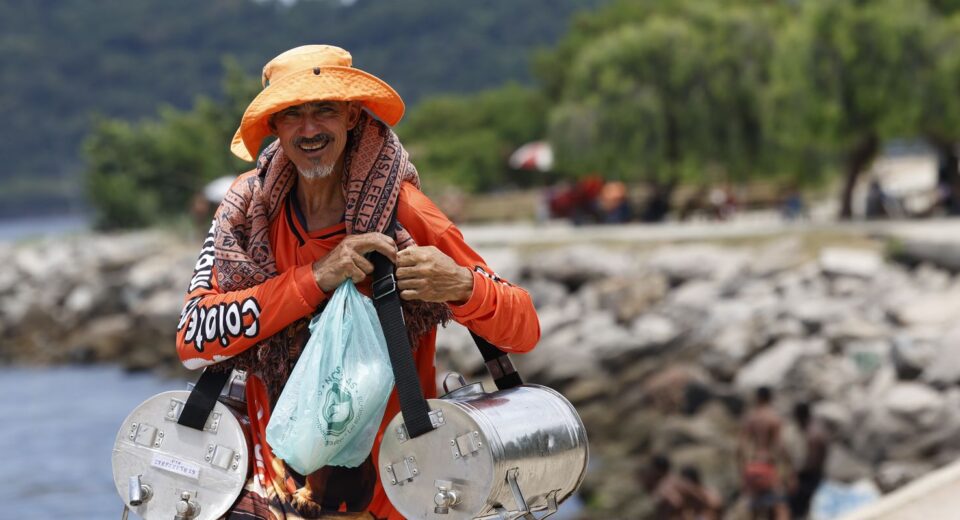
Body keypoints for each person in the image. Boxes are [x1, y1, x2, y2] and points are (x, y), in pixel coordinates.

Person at [174, 45, 541, 519]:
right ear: (275, 127)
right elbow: (194, 339)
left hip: (394, 498)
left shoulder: (404, 211)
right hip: (279, 499)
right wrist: (318, 277)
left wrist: (462, 286)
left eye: (324, 109)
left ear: (350, 116)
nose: (309, 129)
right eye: (292, 114)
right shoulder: (245, 214)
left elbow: (524, 327)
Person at [737, 387, 792, 520]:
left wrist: (742, 471)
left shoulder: (750, 418)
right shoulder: (773, 418)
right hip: (767, 465)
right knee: (780, 508)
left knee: (755, 511)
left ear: (758, 398)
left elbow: (740, 448)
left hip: (752, 466)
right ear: (770, 398)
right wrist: (790, 471)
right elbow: (780, 447)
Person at [788, 403, 830, 520]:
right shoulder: (814, 430)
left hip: (811, 477)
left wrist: (797, 473)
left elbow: (813, 462)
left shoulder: (813, 435)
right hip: (814, 475)